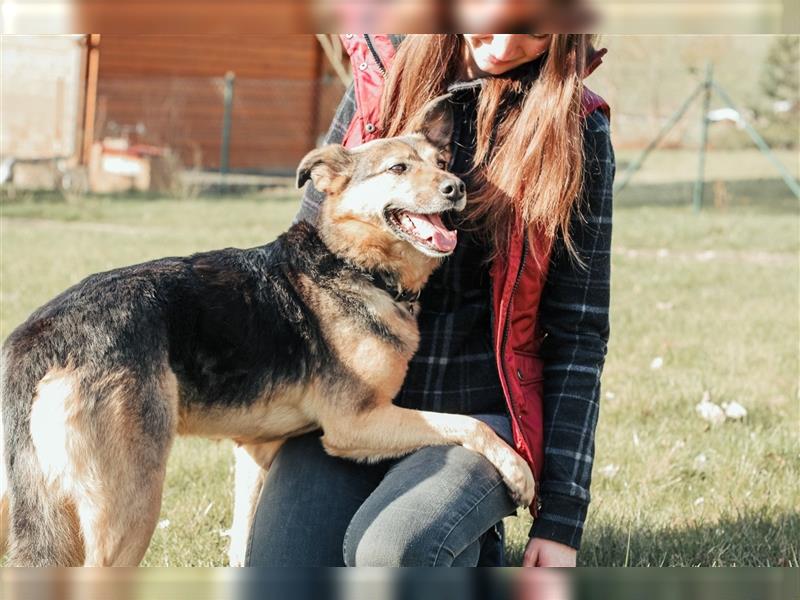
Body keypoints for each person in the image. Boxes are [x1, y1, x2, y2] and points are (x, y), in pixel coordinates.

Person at [245, 33, 614, 567]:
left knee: (393, 554)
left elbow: (579, 335)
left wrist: (562, 518)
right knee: (284, 572)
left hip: (477, 417)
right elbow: (302, 258)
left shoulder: (575, 129)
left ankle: (463, 536)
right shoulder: (381, 81)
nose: (507, 44)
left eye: (534, 32)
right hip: (352, 406)